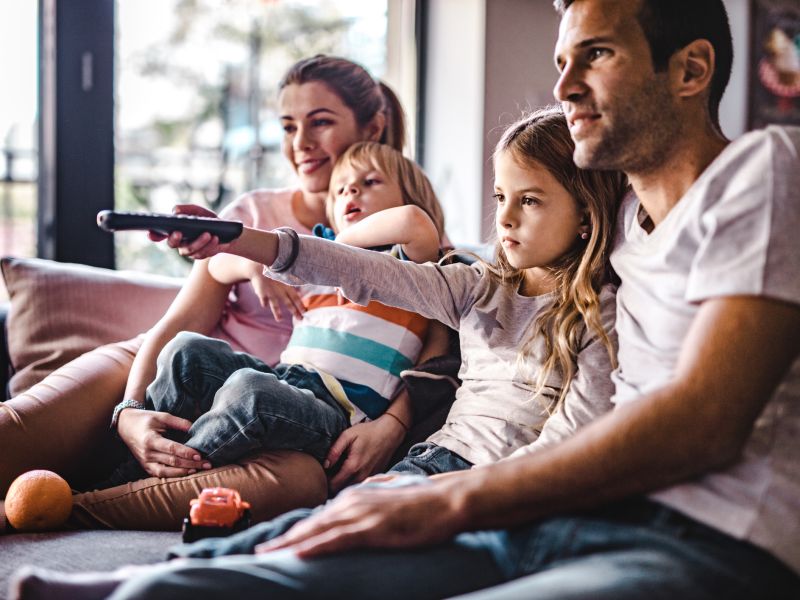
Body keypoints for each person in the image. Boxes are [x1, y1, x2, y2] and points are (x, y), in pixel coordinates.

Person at [11, 0, 800, 598]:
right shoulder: (624, 221)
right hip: (586, 514)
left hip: (707, 536)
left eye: (595, 55)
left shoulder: (763, 171)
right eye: (562, 61)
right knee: (233, 574)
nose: (563, 86)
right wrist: (237, 240)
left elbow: (701, 421)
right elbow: (371, 271)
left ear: (691, 71)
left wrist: (452, 499)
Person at [10, 105, 626, 599]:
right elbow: (349, 269)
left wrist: (462, 490)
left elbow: (568, 438)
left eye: (531, 199)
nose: (506, 219)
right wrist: (241, 240)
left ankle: (127, 563)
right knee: (301, 524)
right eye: (499, 198)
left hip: (456, 470)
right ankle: (137, 575)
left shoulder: (589, 316)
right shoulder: (477, 284)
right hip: (417, 455)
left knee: (314, 536)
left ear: (586, 213)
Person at [1, 54, 433, 529]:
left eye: (320, 122)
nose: (301, 144)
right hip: (154, 377)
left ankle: (82, 503)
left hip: (282, 424)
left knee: (300, 480)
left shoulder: (413, 238)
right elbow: (177, 327)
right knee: (15, 436)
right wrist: (130, 411)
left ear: (372, 125)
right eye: (288, 127)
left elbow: (446, 350)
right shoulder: (252, 212)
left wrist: (393, 423)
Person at [93, 141, 446, 489]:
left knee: (249, 391)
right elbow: (218, 266)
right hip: (284, 379)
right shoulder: (320, 262)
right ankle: (145, 456)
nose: (351, 190)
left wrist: (339, 245)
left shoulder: (414, 269)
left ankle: (140, 484)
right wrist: (253, 265)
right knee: (186, 352)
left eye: (370, 182)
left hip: (339, 413)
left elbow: (414, 222)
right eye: (340, 190)